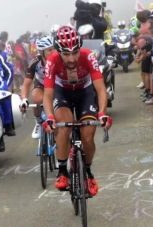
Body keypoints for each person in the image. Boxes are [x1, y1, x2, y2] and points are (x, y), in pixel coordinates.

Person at [41, 26, 112, 195]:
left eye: (75, 53)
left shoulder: (88, 56)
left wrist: (102, 113)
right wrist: (50, 117)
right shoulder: (52, 60)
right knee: (64, 128)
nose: (72, 59)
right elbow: (48, 95)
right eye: (66, 54)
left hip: (84, 93)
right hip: (62, 92)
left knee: (88, 137)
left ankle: (87, 172)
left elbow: (101, 89)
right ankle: (62, 171)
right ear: (58, 52)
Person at [21, 36, 55, 139]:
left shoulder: (59, 59)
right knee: (37, 99)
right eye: (49, 50)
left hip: (55, 85)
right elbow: (26, 83)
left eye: (54, 48)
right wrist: (24, 99)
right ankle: (38, 121)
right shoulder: (35, 62)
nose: (53, 52)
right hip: (41, 84)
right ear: (41, 51)